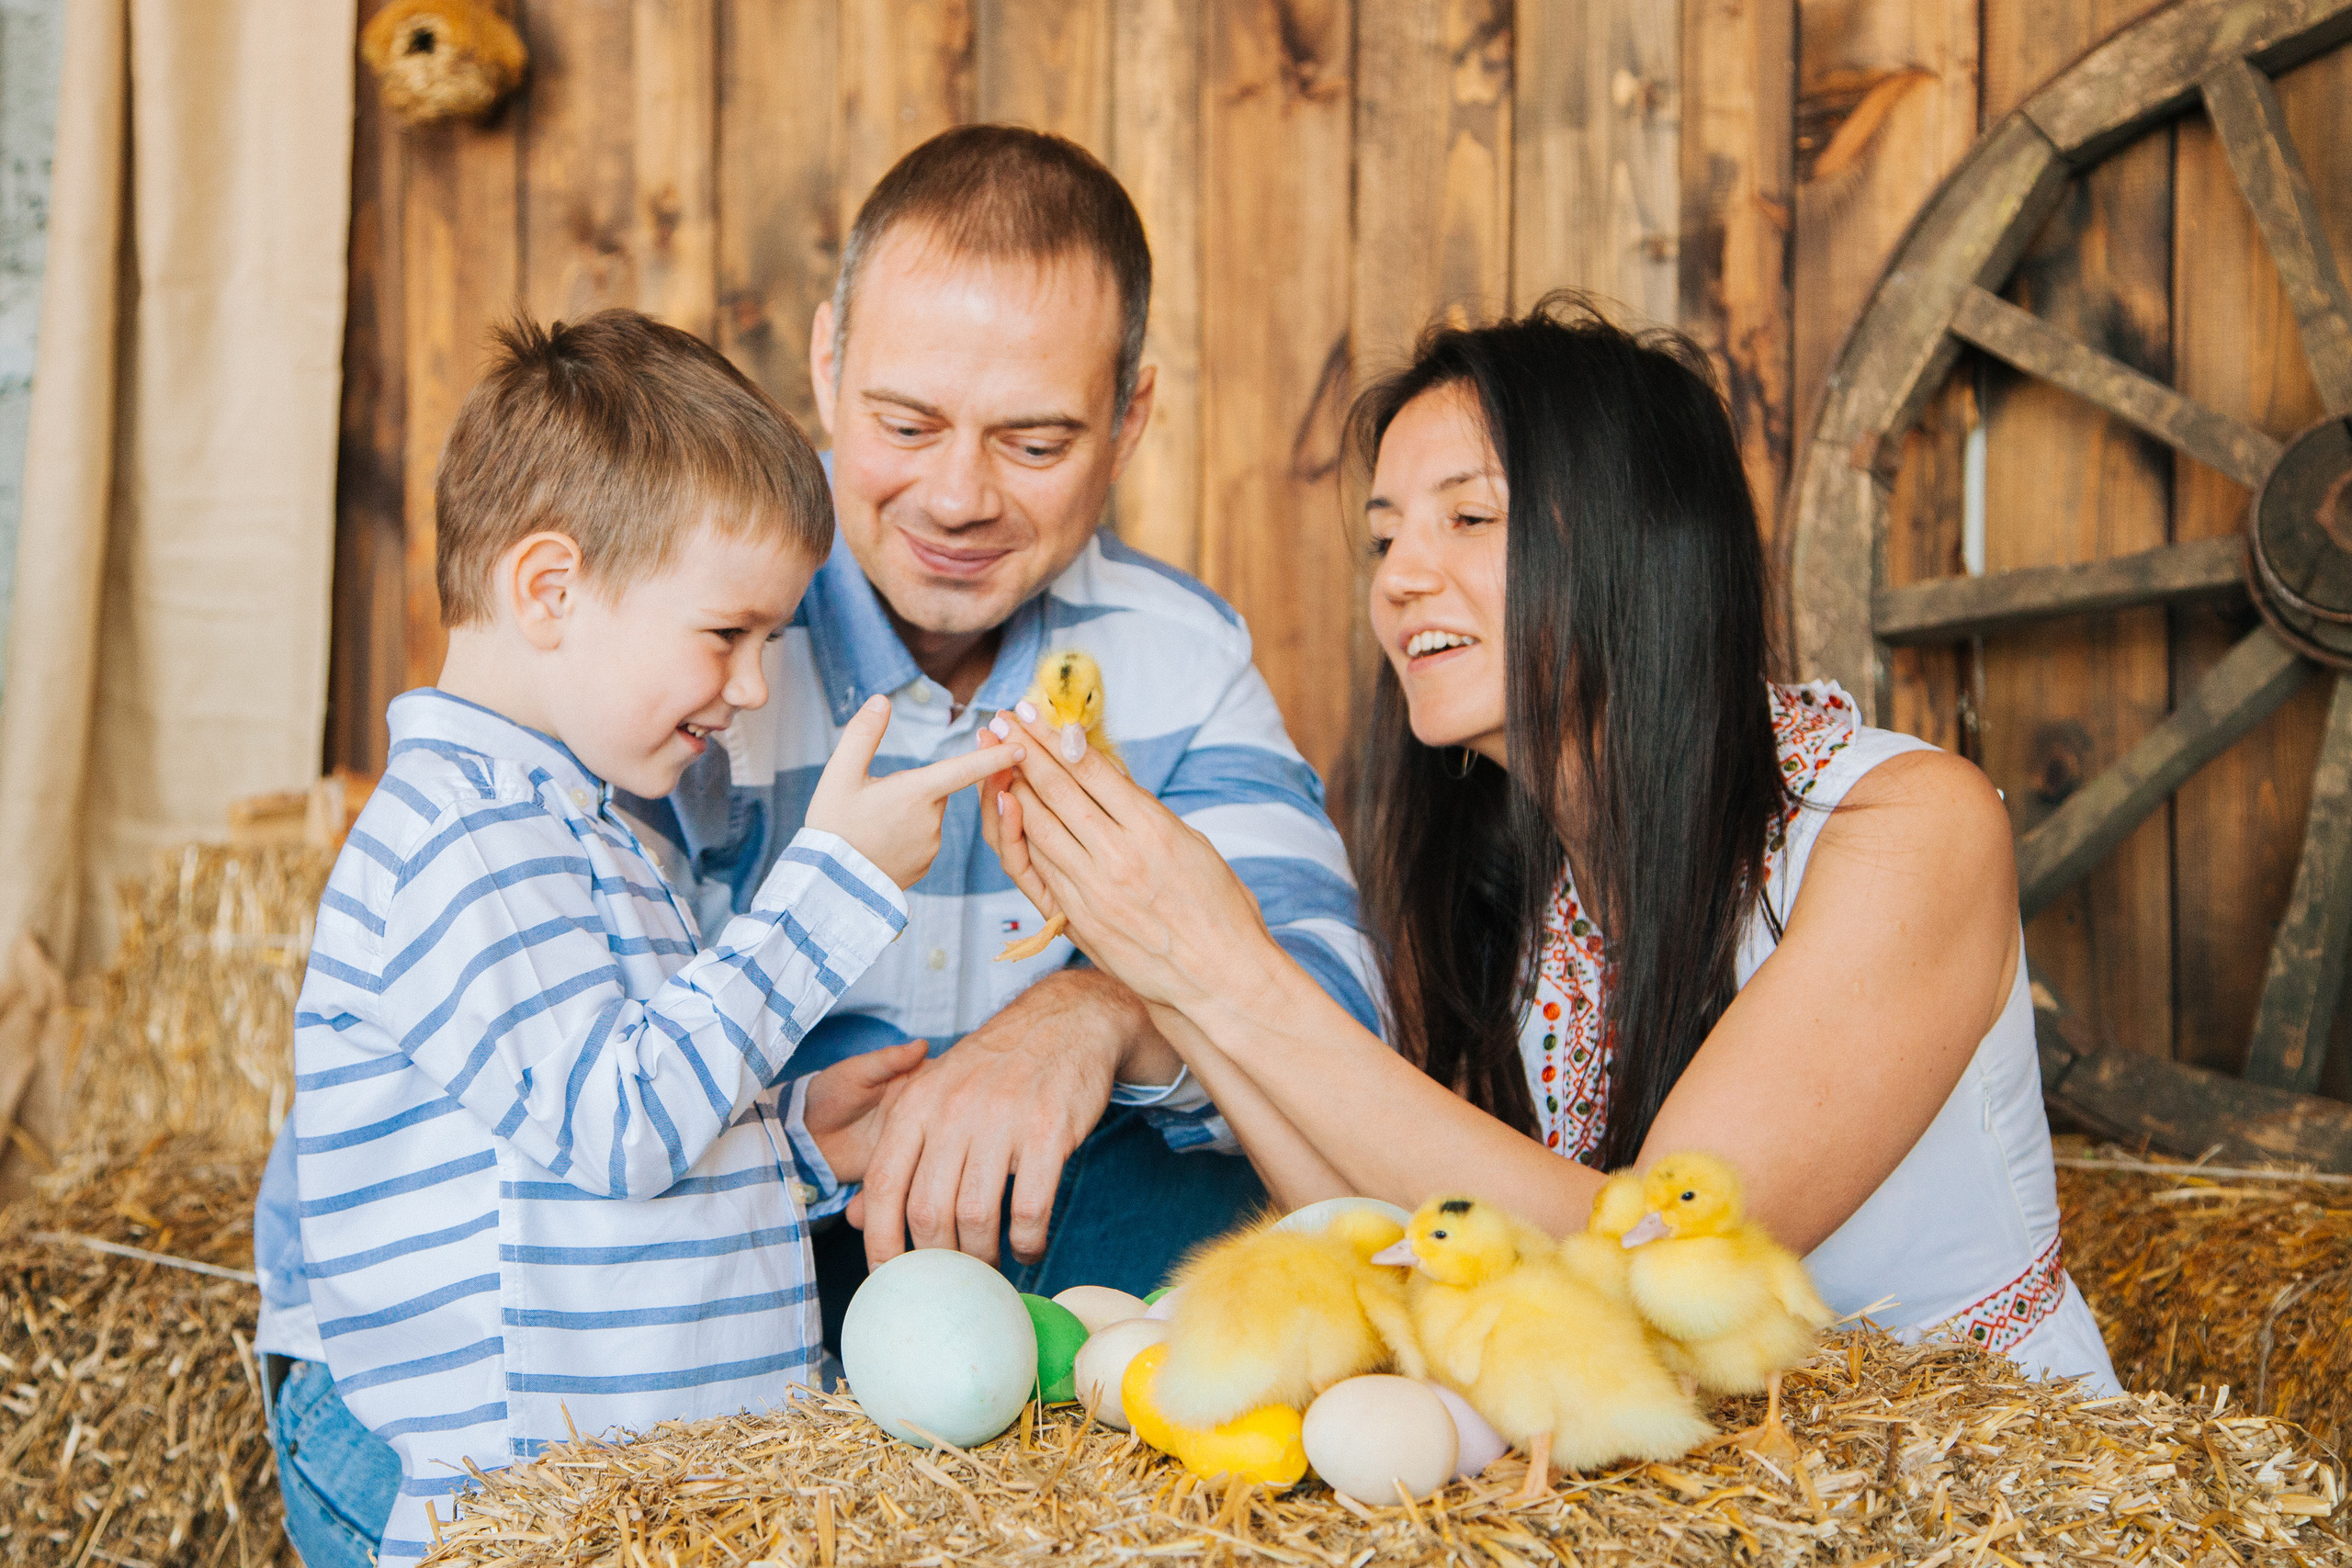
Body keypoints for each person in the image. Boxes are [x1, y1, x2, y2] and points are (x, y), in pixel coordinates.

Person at [978, 298, 2120, 1393]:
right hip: (1719, 1484)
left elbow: (1651, 1286)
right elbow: (1399, 1227)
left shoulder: (1905, 828)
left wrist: (1227, 962)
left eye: (1469, 519)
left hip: (1960, 1472)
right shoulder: (1518, 885)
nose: (1397, 578)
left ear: (1638, 543)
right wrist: (1165, 969)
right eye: (1384, 537)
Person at [252, 310, 1012, 1568]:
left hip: (623, 1501)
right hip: (517, 1515)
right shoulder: (458, 839)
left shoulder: (584, 831)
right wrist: (832, 885)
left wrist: (788, 1138)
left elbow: (578, 1152)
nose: (754, 686)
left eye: (768, 643)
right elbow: (617, 1125)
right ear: (550, 590)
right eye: (726, 635)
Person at [628, 125, 1378, 1322]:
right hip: (710, 1255)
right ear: (826, 363)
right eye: (906, 425)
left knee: (1211, 1206)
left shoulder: (1184, 656)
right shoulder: (669, 616)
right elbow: (567, 1061)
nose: (957, 499)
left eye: (1034, 443)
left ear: (1130, 418)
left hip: (1039, 1257)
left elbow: (1330, 1022)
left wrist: (1099, 1010)